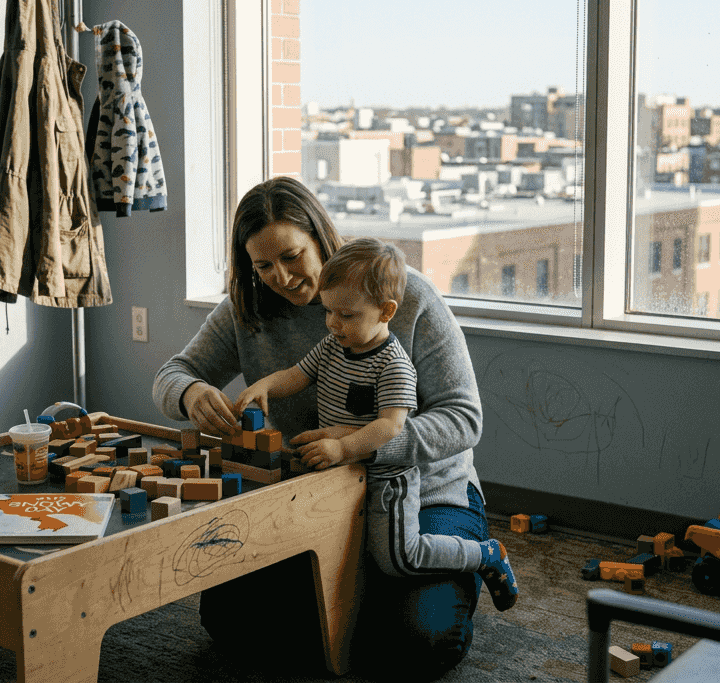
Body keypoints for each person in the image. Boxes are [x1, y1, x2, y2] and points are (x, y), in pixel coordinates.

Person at [153, 177, 490, 682]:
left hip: (425, 497)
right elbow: (172, 373)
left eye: (292, 256)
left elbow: (463, 418)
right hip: (311, 499)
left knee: (418, 642)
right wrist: (190, 393)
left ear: (321, 237)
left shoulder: (405, 295)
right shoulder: (248, 308)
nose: (281, 277)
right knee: (229, 622)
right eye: (262, 265)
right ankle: (361, 591)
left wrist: (357, 447)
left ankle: (463, 564)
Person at [233, 237, 517, 611]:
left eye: (346, 315)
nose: (333, 323)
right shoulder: (334, 344)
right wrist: (267, 384)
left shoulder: (394, 366)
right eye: (328, 311)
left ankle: (484, 555)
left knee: (400, 558)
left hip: (388, 480)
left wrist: (343, 447)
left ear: (385, 312)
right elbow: (297, 374)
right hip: (344, 474)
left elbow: (391, 428)